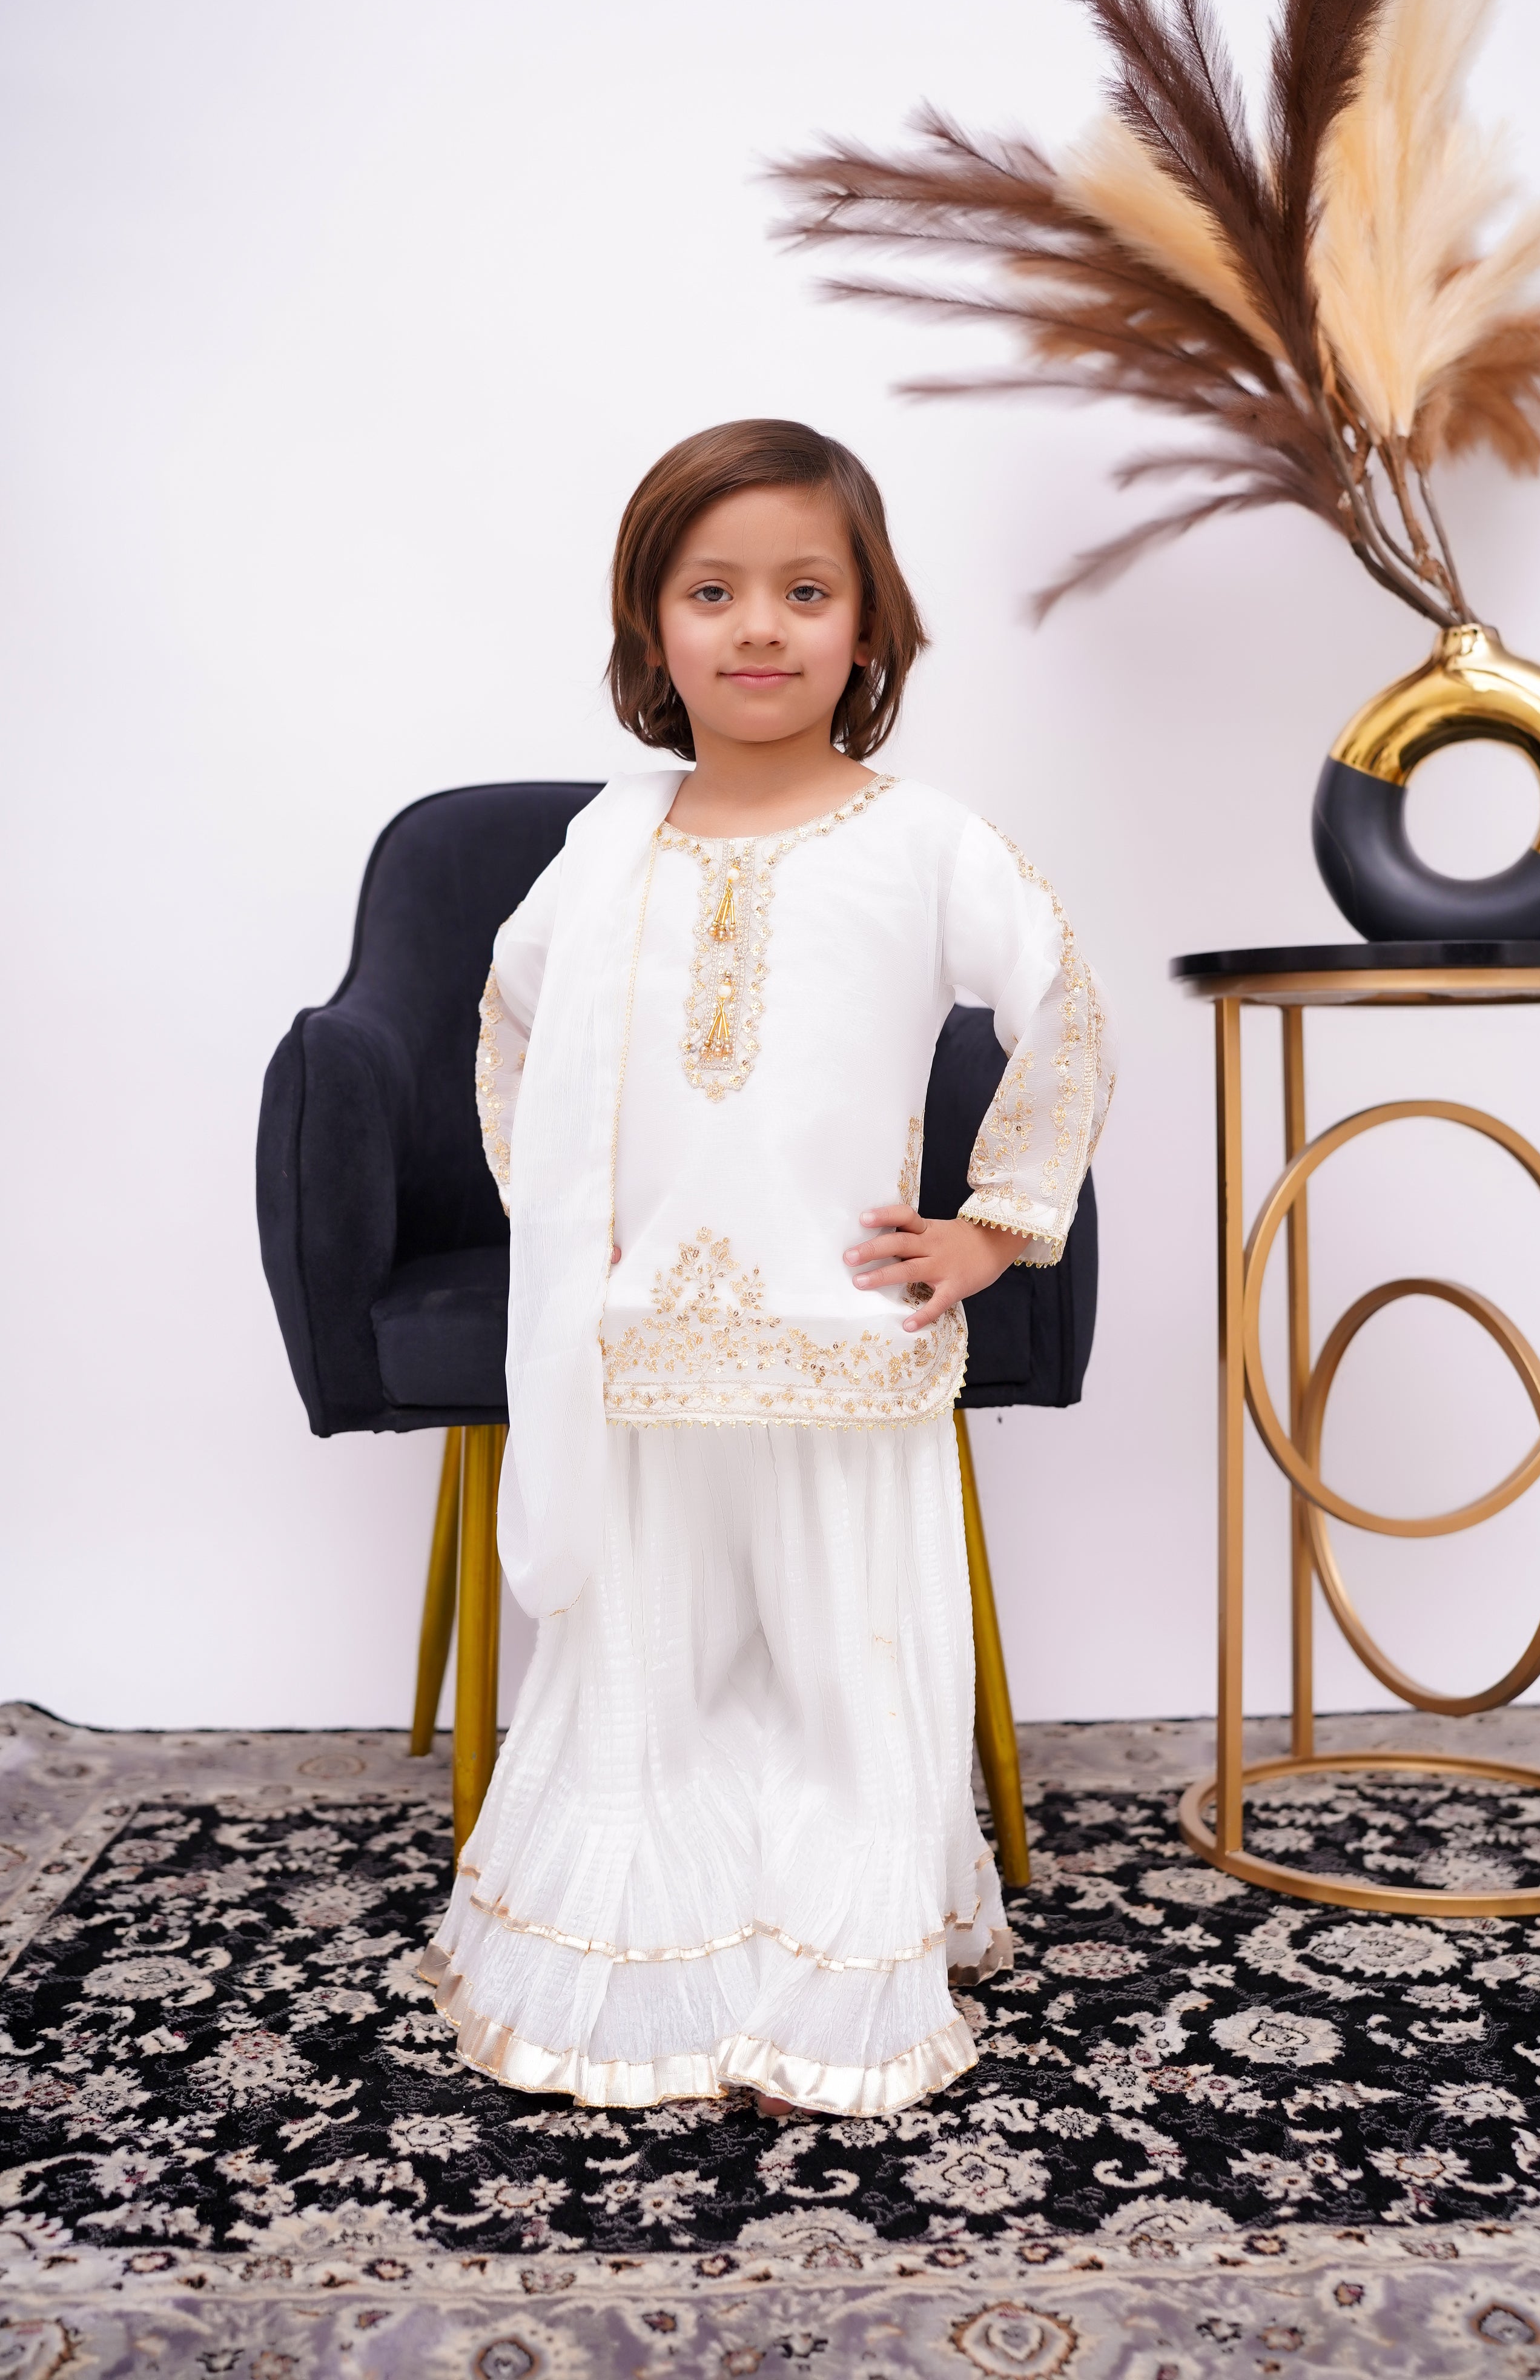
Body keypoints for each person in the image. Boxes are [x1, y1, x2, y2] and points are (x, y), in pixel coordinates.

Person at [420, 418, 1114, 2118]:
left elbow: (1068, 1015)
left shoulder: (925, 839)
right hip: (640, 1341)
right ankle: (648, 1954)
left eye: (807, 592)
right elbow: (511, 1028)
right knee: (651, 1682)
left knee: (839, 1677)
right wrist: (561, 1223)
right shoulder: (608, 847)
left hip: (842, 1335)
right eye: (712, 590)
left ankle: (837, 1959)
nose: (759, 628)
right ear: (649, 625)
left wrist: (995, 1225)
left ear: (870, 624)